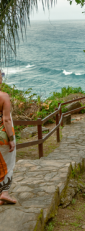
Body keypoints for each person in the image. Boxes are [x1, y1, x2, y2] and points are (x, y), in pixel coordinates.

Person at [0, 71, 16, 205]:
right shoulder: (3, 96)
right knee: (8, 164)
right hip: (3, 137)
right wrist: (11, 139)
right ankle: (4, 193)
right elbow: (6, 120)